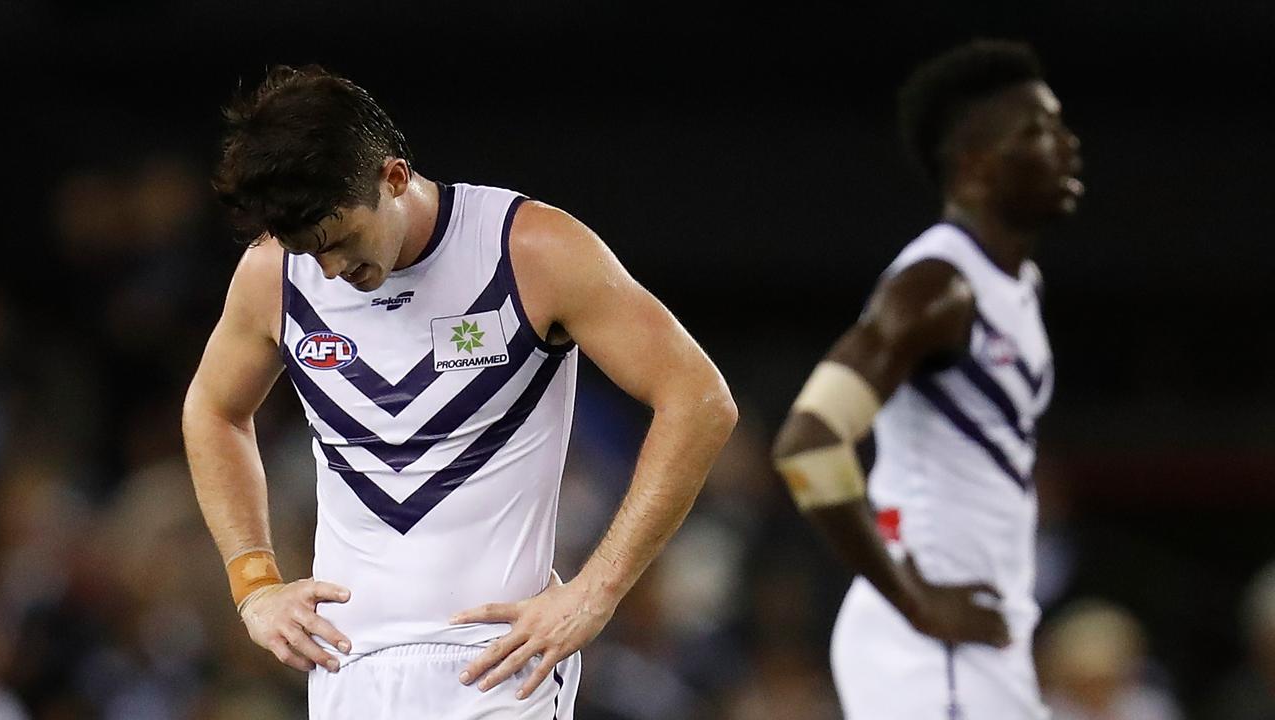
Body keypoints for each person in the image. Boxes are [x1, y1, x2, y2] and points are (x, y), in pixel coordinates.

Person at [182, 65, 737, 719]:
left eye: (341, 241)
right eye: (311, 253)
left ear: (393, 178)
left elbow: (698, 399)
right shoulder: (275, 276)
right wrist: (253, 584)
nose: (333, 271)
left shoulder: (530, 251)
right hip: (346, 671)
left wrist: (597, 588)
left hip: (496, 669)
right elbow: (214, 409)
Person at [771, 39, 1082, 718]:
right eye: (1037, 130)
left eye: (1060, 125)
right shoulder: (935, 289)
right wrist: (914, 600)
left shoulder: (1015, 286)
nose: (1066, 145)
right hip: (929, 642)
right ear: (974, 167)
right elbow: (808, 442)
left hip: (981, 640)